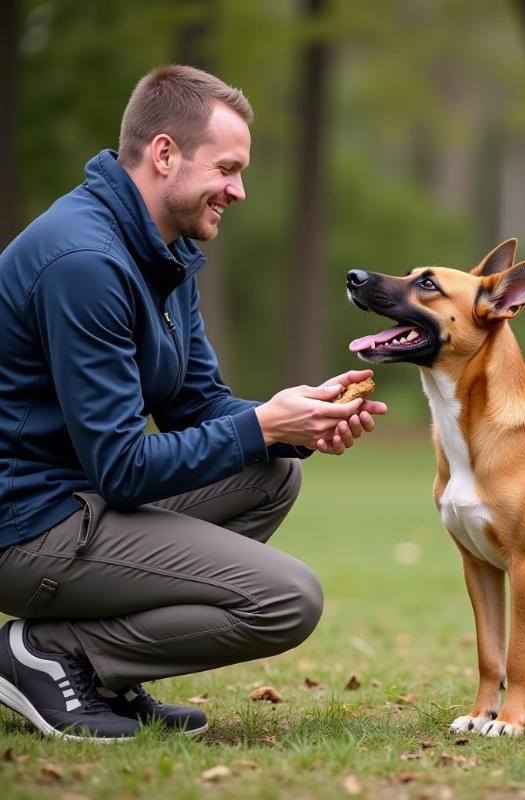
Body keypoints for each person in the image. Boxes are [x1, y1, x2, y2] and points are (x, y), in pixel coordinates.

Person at [0, 65, 387, 741]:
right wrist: (262, 425)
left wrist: (297, 422)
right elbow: (122, 466)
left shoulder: (161, 251)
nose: (238, 190)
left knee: (272, 473)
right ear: (164, 154)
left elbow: (197, 403)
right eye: (228, 169)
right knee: (285, 599)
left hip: (79, 500)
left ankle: (96, 673)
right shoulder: (85, 262)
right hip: (25, 523)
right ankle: (54, 656)